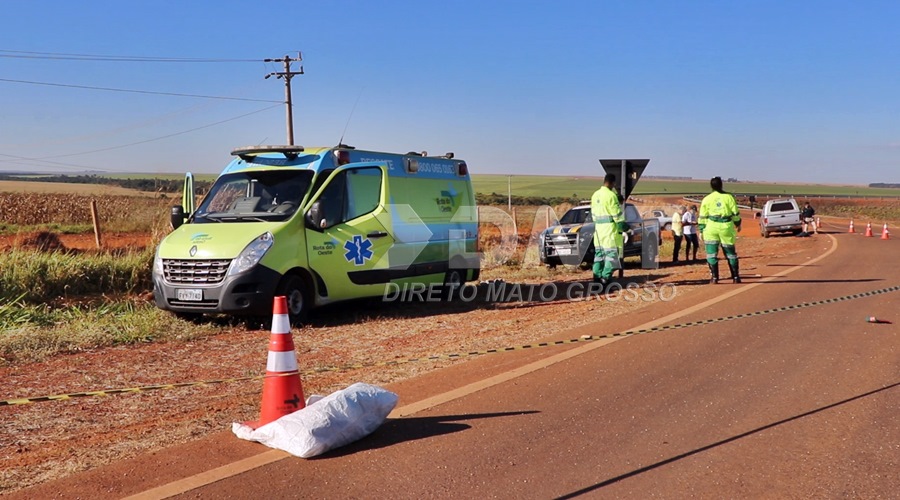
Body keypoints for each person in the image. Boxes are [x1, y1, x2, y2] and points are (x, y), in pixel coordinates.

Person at [699, 177, 742, 284]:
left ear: (711, 186)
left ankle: (714, 278)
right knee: (730, 253)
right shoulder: (729, 197)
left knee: (711, 254)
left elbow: (702, 216)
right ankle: (735, 277)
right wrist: (738, 224)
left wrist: (701, 230)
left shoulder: (707, 199)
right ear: (721, 185)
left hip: (711, 227)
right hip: (726, 226)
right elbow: (735, 213)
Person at [590, 173, 627, 287]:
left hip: (598, 232)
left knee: (599, 256)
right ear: (613, 183)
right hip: (610, 232)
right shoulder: (611, 196)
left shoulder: (595, 195)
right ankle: (606, 279)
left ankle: (596, 278)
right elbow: (617, 215)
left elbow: (594, 215)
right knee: (611, 257)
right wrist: (624, 226)